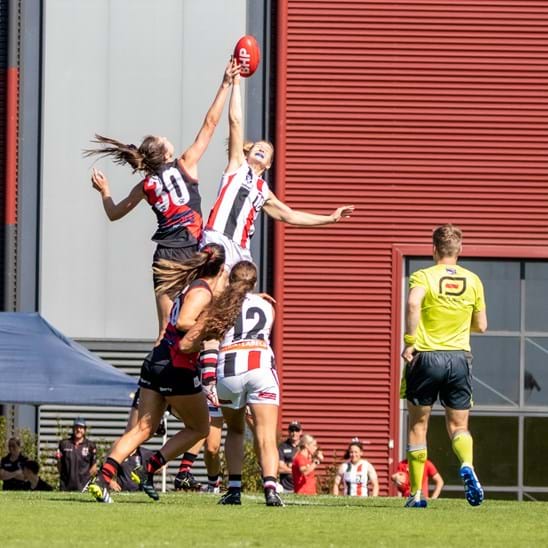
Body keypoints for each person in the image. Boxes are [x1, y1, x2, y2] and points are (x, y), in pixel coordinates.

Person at [84, 60, 239, 342]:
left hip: (167, 256)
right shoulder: (186, 163)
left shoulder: (146, 186)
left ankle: (155, 371)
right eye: (164, 139)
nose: (167, 138)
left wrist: (104, 190)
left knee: (165, 329)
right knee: (204, 317)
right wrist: (226, 84)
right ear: (165, 154)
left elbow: (114, 213)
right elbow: (210, 124)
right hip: (195, 251)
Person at [89, 244, 226, 503]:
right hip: (177, 366)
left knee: (144, 428)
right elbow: (184, 321)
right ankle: (149, 467)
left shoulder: (192, 287)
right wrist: (210, 328)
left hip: (157, 361)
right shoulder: (202, 291)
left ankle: (103, 479)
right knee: (200, 427)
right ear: (220, 271)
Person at [201, 63, 355, 271]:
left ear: (269, 164)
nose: (262, 148)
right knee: (211, 286)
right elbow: (235, 122)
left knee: (243, 287)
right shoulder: (237, 166)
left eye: (267, 150)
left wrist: (330, 219)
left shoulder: (263, 190)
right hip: (217, 239)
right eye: (258, 146)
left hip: (240, 250)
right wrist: (236, 83)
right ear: (247, 154)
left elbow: (290, 215)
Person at [180, 260, 283, 506]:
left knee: (235, 430)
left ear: (230, 281)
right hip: (260, 366)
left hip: (229, 369)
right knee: (266, 435)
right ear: (254, 283)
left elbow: (188, 341)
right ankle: (270, 488)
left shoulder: (218, 306)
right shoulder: (267, 305)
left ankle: (234, 489)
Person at [400, 224, 487, 508]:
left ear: (434, 249)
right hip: (459, 358)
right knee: (459, 426)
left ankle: (416, 494)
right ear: (459, 250)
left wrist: (410, 341)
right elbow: (482, 326)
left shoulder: (423, 275)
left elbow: (413, 304)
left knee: (418, 425)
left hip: (426, 356)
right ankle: (467, 464)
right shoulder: (473, 280)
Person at [56, 418, 97, 491]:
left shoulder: (90, 445)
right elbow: (59, 464)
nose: (78, 430)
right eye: (76, 427)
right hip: (66, 486)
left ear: (85, 430)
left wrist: (86, 480)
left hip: (83, 488)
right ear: (73, 429)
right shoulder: (64, 444)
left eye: (81, 428)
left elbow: (93, 468)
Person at [278, 421, 303, 493]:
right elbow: (279, 468)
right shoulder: (282, 447)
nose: (294, 433)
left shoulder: (304, 447)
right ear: (288, 432)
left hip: (302, 487)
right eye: (292, 430)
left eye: (297, 430)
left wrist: (288, 466)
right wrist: (297, 470)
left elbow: (308, 466)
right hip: (286, 489)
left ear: (301, 432)